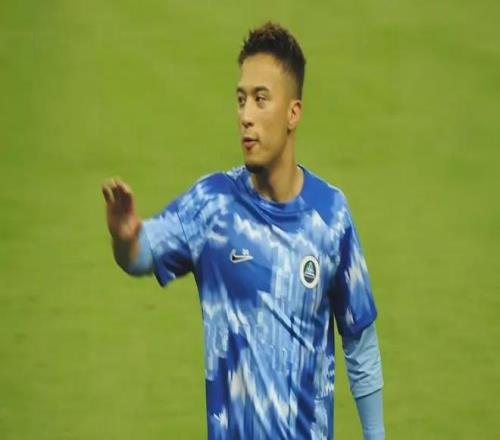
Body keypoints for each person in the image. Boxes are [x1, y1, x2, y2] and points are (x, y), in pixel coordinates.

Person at [102, 22, 385, 440]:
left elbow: (360, 340)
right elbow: (141, 256)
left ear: (293, 113)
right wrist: (125, 238)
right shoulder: (213, 206)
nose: (246, 116)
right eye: (240, 100)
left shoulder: (330, 216)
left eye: (260, 99)